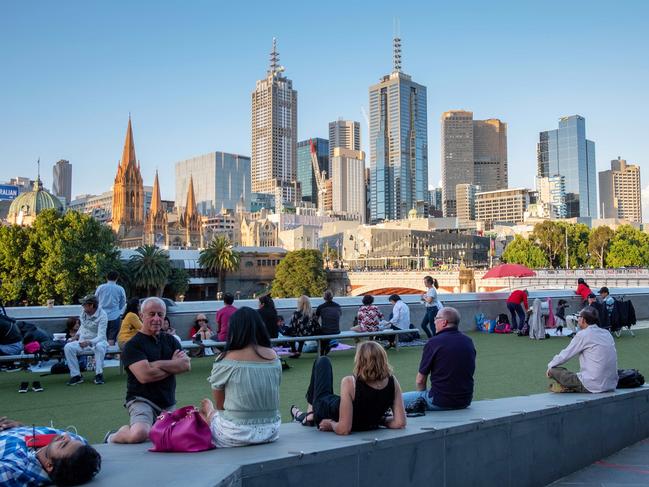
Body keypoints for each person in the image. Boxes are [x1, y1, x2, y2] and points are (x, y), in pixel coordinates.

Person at [107, 297, 191, 444]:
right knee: (139, 434)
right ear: (141, 315)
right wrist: (173, 364)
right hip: (141, 400)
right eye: (152, 314)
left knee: (176, 437)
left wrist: (155, 364)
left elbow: (185, 366)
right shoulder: (132, 345)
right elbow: (145, 376)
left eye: (160, 314)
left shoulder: (171, 341)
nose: (157, 319)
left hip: (167, 402)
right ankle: (112, 436)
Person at [199, 307, 282, 448]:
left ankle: (208, 411)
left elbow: (221, 406)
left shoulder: (225, 360)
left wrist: (213, 412)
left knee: (207, 412)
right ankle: (209, 411)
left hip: (236, 433)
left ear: (234, 330)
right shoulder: (274, 357)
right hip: (271, 431)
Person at [290, 341, 406, 434]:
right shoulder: (392, 381)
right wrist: (380, 420)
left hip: (326, 410)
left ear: (360, 360)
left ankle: (310, 414)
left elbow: (344, 428)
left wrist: (330, 424)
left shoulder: (350, 382)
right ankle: (306, 415)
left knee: (323, 361)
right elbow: (400, 422)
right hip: (358, 417)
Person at [402, 307, 476, 412]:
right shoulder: (468, 341)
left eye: (436, 318)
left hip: (440, 402)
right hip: (465, 401)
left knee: (394, 399)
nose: (434, 321)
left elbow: (420, 380)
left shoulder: (434, 342)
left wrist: (420, 399)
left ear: (444, 322)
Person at [0, 417, 101, 487]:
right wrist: (18, 426)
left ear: (49, 465)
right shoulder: (77, 446)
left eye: (63, 445)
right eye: (70, 439)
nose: (65, 436)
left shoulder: (15, 470)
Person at [547, 306, 618, 393]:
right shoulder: (607, 333)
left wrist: (550, 367)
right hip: (611, 384)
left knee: (554, 371)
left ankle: (569, 387)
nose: (577, 320)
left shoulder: (583, 335)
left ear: (583, 320)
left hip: (592, 385)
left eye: (578, 317)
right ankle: (569, 387)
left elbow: (565, 355)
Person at [63, 295, 108, 386]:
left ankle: (99, 374)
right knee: (68, 347)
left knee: (99, 347)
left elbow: (101, 335)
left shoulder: (103, 315)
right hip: (83, 342)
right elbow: (82, 327)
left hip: (98, 341)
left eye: (84, 304)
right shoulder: (83, 313)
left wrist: (89, 342)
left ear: (91, 305)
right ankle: (76, 375)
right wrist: (75, 337)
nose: (82, 306)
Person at [94, 270, 127, 346]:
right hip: (115, 315)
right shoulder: (120, 289)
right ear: (117, 278)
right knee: (111, 337)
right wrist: (118, 309)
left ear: (107, 278)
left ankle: (101, 353)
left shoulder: (100, 287)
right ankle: (110, 354)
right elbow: (123, 301)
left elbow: (95, 300)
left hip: (101, 315)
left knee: (101, 336)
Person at [315, 290, 341, 356]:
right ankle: (327, 347)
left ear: (324, 298)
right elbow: (338, 316)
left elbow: (315, 320)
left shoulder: (321, 307)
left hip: (325, 331)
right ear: (332, 297)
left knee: (317, 332)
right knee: (324, 332)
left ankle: (322, 350)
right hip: (336, 330)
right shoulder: (338, 306)